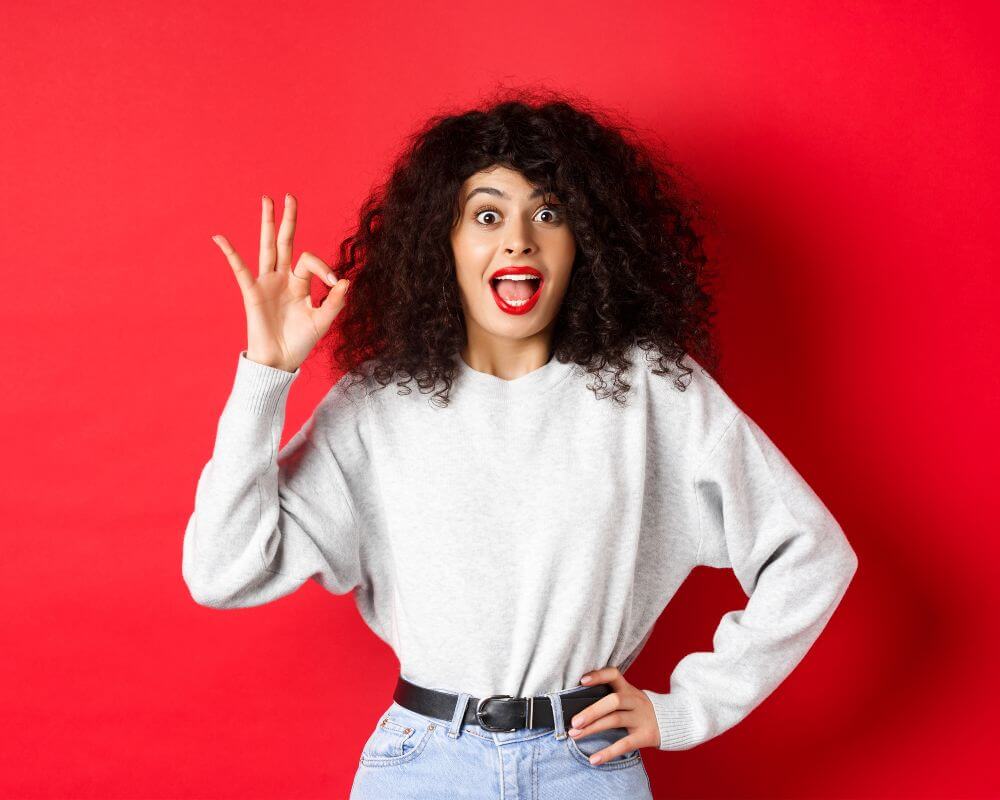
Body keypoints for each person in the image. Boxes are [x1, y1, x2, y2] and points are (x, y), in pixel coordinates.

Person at [182, 90, 859, 799]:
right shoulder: (377, 407)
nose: (518, 240)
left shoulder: (652, 392)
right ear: (442, 241)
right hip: (424, 766)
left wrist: (687, 708)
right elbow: (223, 571)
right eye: (486, 215)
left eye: (548, 212)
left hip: (586, 766)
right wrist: (266, 376)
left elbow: (810, 555)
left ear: (585, 242)